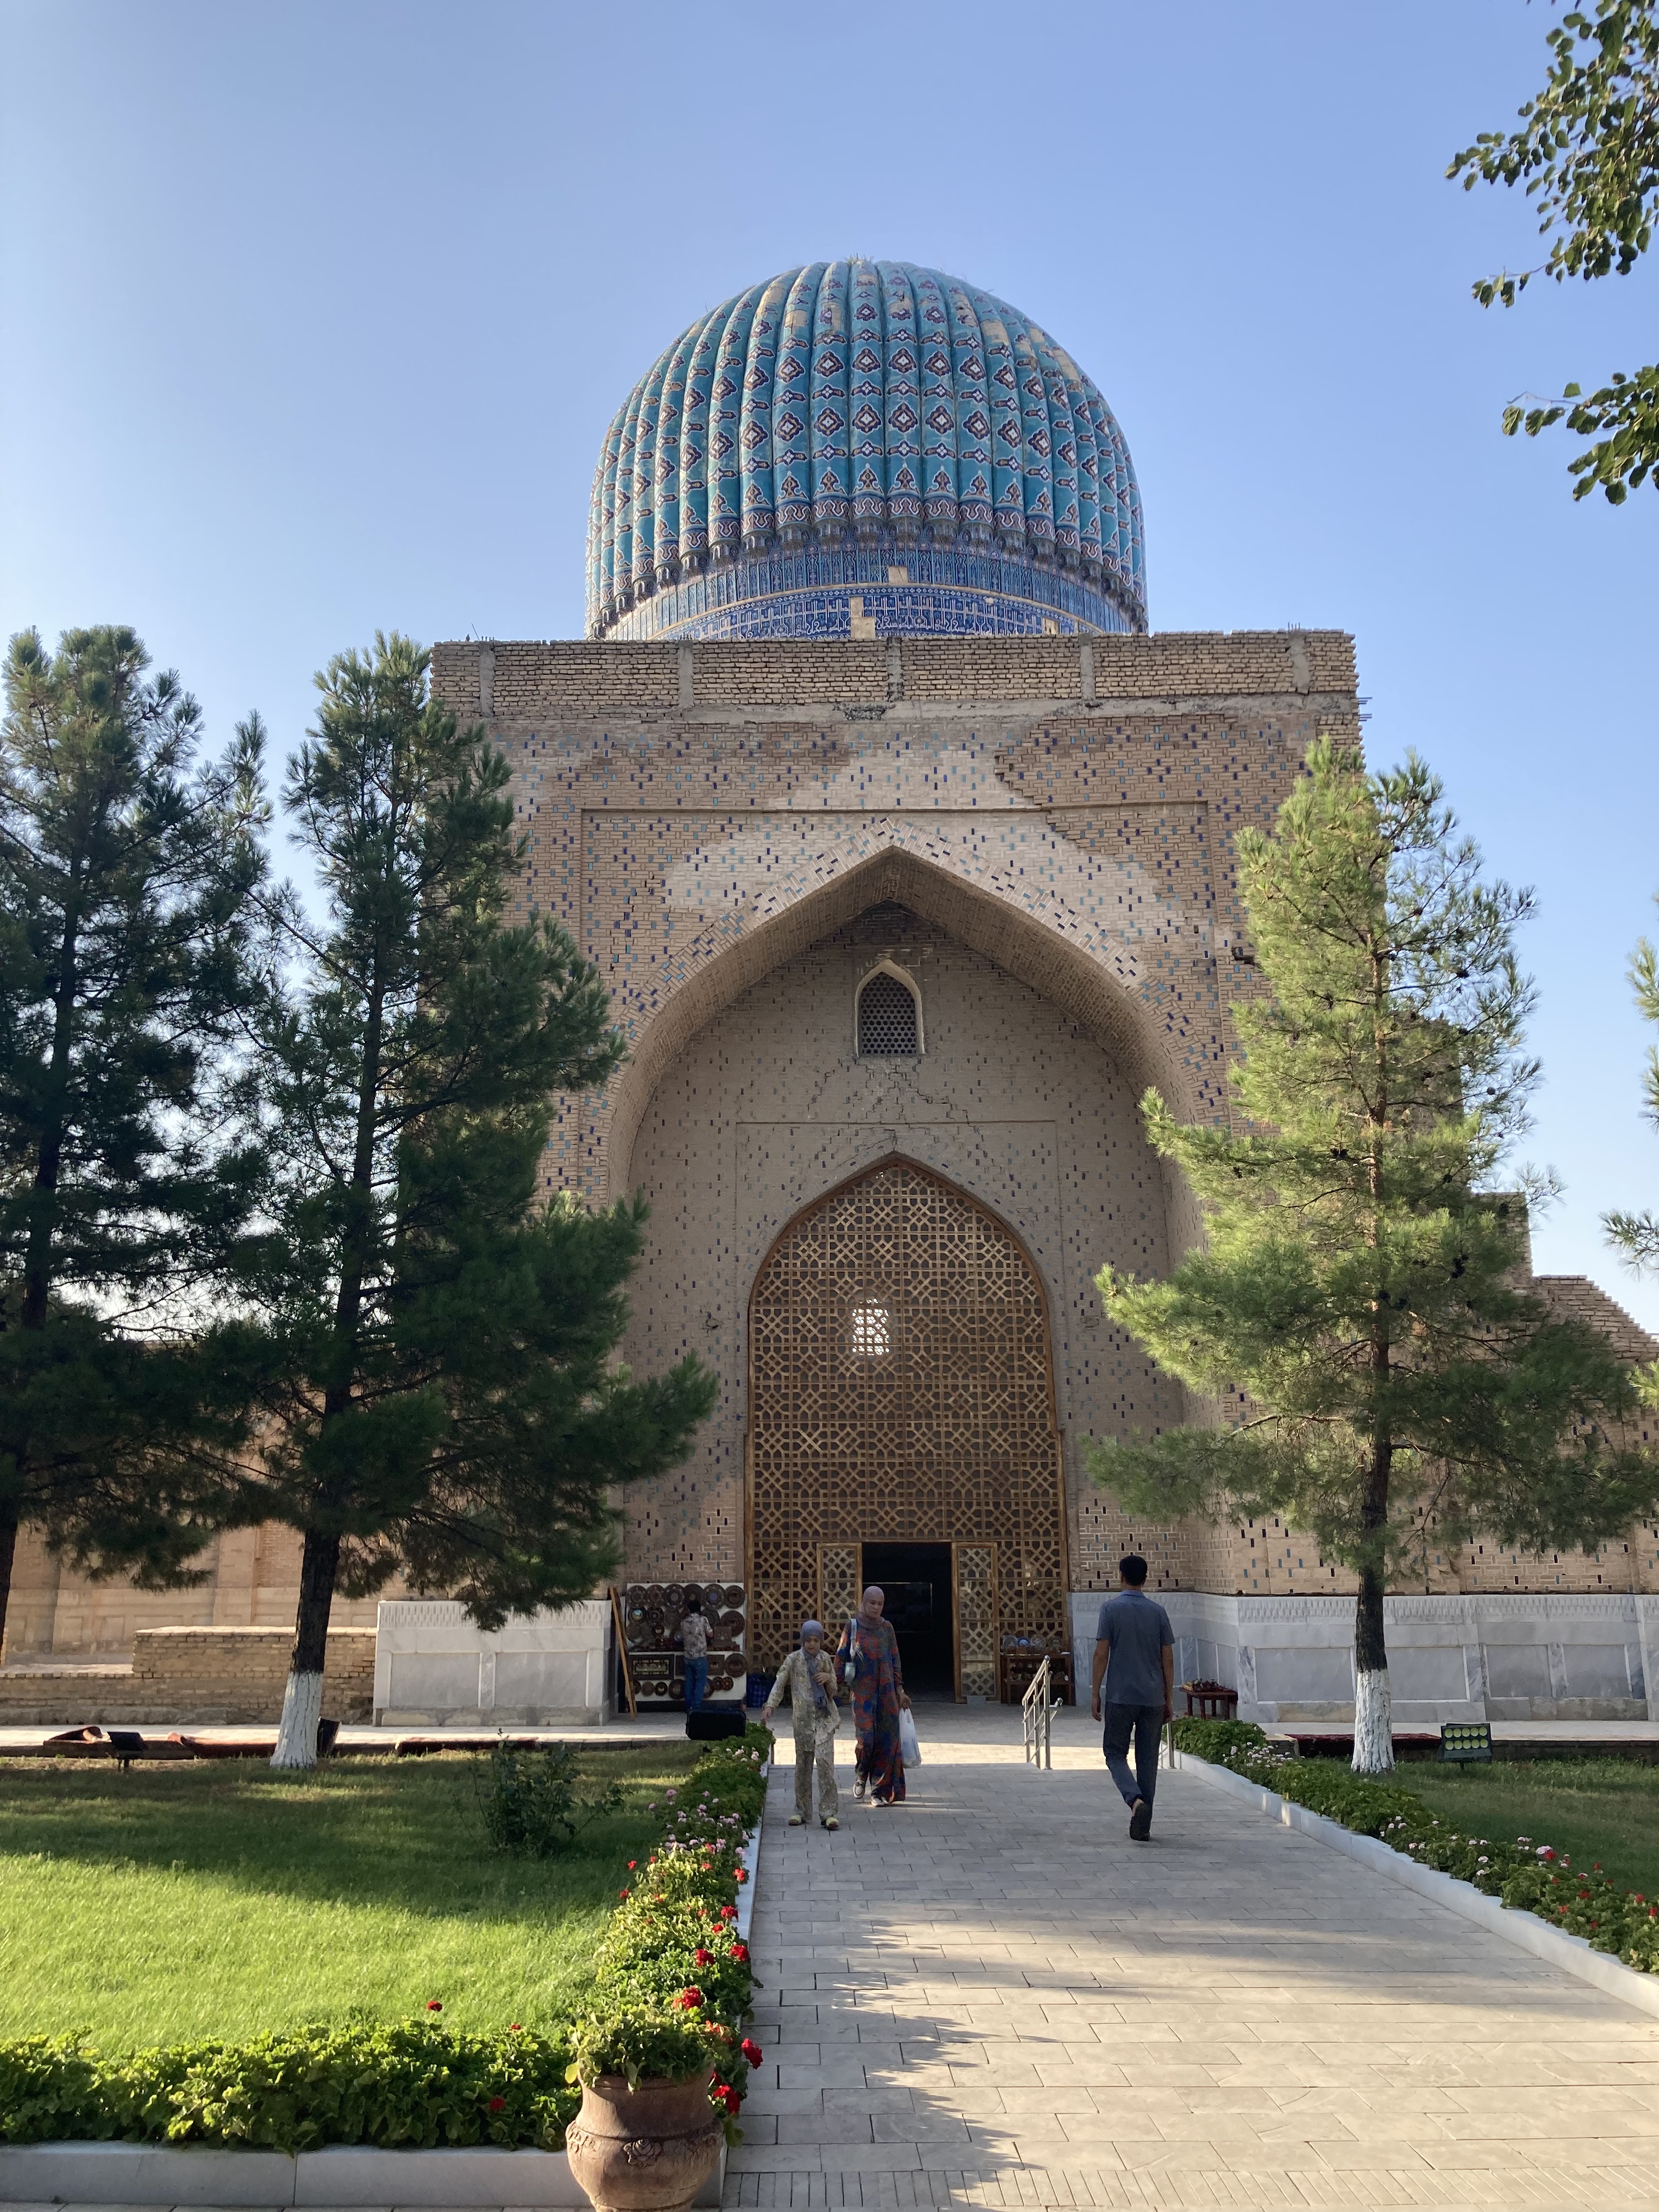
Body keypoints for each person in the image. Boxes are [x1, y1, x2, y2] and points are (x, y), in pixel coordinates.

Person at [1090, 1553, 1174, 1841]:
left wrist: (1095, 1692)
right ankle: (1144, 1825)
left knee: (1115, 1754)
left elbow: (1101, 1654)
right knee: (1148, 1761)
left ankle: (1135, 1801)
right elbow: (1167, 1658)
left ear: (1121, 1576)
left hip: (1120, 1695)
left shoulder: (1110, 1609)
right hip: (1153, 1697)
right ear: (1146, 1579)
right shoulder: (1158, 1612)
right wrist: (1168, 1697)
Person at [761, 1620, 841, 1829]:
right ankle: (801, 1811)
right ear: (803, 1640)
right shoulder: (793, 1660)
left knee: (825, 1765)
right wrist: (770, 1705)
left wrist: (828, 1678)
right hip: (803, 1723)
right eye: (809, 1640)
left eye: (816, 1640)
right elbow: (780, 1682)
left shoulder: (825, 1659)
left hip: (824, 1720)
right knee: (803, 1767)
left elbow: (834, 1691)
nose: (812, 1644)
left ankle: (829, 1812)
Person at [834, 1585, 910, 1805]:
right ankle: (861, 1774)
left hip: (887, 1694)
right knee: (866, 1739)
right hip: (863, 1694)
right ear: (863, 1603)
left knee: (886, 1741)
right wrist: (832, 1688)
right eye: (872, 1603)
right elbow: (841, 1658)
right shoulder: (853, 1626)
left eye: (880, 1604)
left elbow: (895, 1660)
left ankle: (879, 1791)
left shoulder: (887, 1628)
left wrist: (900, 1690)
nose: (876, 1608)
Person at [679, 1590, 709, 1714]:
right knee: (700, 1682)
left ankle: (688, 1708)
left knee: (689, 1682)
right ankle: (696, 1708)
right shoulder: (703, 1620)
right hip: (700, 1656)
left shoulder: (683, 1622)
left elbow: (679, 1637)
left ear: (689, 1610)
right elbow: (710, 1634)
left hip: (687, 1657)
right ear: (699, 1609)